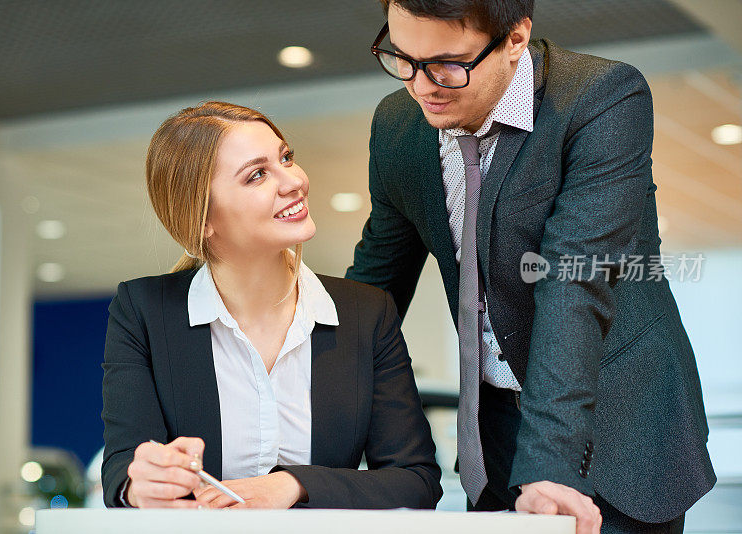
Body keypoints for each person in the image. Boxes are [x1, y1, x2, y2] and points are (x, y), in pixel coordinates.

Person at [346, 1, 715, 532]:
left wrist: (549, 467)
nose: (421, 85)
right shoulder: (399, 125)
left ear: (516, 38)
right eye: (402, 57)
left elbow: (573, 280)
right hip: (494, 434)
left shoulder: (601, 98)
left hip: (620, 424)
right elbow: (376, 286)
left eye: (448, 64)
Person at [101, 101, 442, 510]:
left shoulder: (366, 313)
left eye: (286, 158)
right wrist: (141, 486)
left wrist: (293, 485)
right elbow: (123, 469)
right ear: (203, 218)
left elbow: (415, 480)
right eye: (258, 175)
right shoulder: (142, 312)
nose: (294, 180)